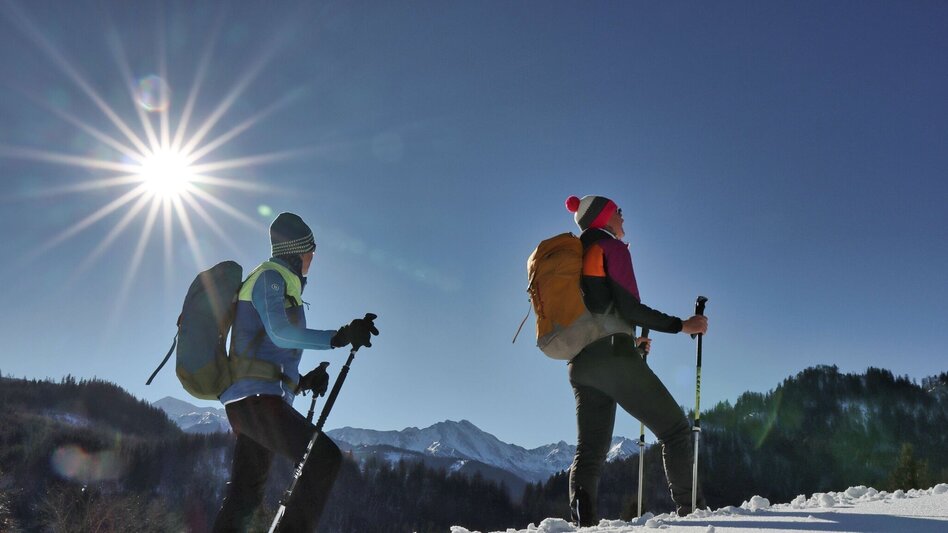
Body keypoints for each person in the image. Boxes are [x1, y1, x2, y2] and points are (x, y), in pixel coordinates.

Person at [212, 212, 379, 533]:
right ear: (297, 251)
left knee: (244, 497)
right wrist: (338, 336)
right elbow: (279, 332)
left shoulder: (282, 285)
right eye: (310, 253)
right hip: (253, 403)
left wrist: (303, 382)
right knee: (324, 458)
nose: (312, 260)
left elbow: (265, 355)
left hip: (255, 402)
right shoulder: (269, 278)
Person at [563, 195, 709, 523]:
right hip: (612, 357)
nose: (624, 219)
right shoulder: (611, 248)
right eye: (619, 212)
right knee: (674, 430)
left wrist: (631, 343)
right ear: (604, 217)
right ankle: (693, 516)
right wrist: (683, 325)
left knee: (588, 455)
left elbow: (599, 311)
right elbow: (630, 308)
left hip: (581, 363)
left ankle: (582, 526)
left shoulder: (574, 256)